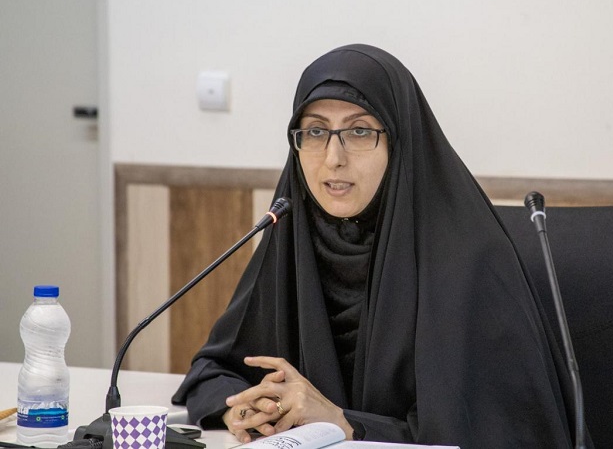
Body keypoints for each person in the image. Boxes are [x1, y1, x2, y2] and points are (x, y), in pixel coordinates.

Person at [172, 44, 585, 448]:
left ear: (399, 142)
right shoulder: (293, 232)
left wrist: (345, 423)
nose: (333, 158)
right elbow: (214, 368)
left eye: (359, 131)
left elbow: (494, 432)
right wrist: (242, 408)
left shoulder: (471, 261)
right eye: (315, 131)